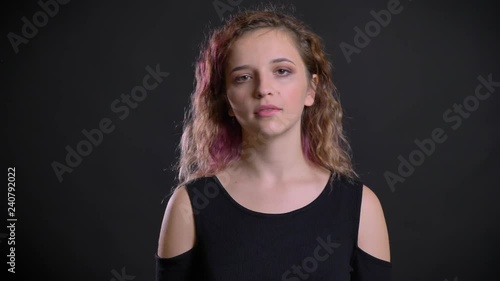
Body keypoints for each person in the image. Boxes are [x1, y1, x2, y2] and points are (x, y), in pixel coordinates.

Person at [155, 4, 391, 281]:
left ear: (311, 89)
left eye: (282, 71)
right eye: (243, 77)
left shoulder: (360, 206)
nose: (263, 89)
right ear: (228, 101)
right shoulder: (188, 206)